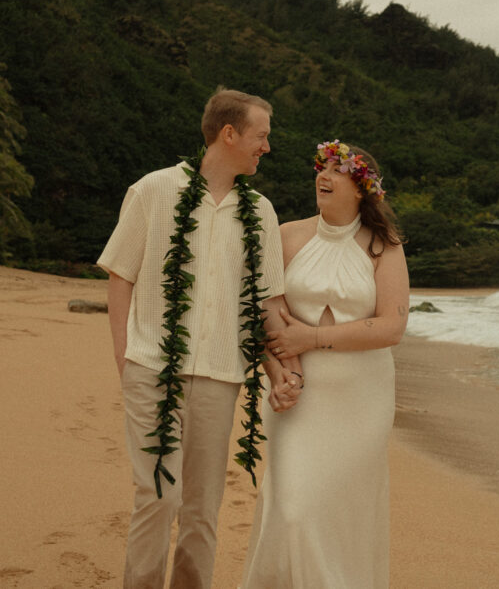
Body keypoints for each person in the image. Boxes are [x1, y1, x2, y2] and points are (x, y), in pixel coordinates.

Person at [98, 88, 302, 589]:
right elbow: (121, 274)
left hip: (220, 375)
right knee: (158, 495)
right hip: (152, 369)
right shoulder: (152, 190)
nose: (267, 147)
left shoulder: (261, 212)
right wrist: (125, 358)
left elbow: (268, 304)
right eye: (261, 136)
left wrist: (285, 370)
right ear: (229, 133)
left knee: (203, 508)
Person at [241, 140, 409, 588]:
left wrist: (312, 337)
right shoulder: (286, 236)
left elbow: (392, 326)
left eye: (338, 170)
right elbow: (267, 310)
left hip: (362, 399)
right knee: (293, 509)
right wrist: (284, 370)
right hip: (299, 394)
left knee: (341, 510)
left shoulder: (383, 246)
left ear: (361, 188)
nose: (325, 175)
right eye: (323, 167)